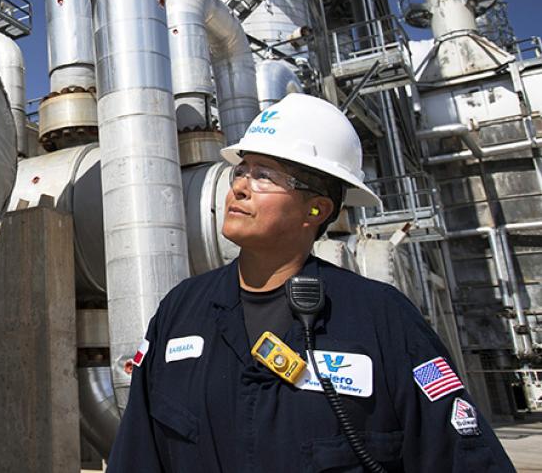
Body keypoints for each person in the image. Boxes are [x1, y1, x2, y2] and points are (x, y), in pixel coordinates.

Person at [107, 93, 514, 472]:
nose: (240, 187)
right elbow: (137, 453)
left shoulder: (382, 320)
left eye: (264, 175)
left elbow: (463, 457)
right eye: (241, 170)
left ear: (316, 209)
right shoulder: (181, 311)